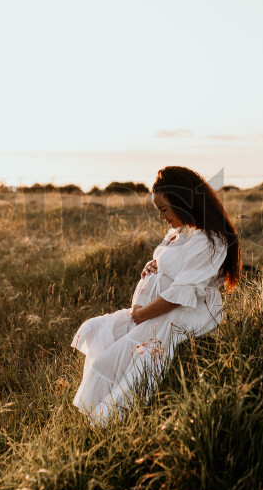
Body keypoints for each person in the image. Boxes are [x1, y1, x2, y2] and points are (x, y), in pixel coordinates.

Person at [70, 166, 242, 425]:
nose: (161, 217)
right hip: (157, 308)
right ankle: (99, 413)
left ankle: (112, 419)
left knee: (119, 356)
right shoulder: (182, 232)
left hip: (185, 313)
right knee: (99, 328)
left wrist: (141, 313)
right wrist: (153, 266)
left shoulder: (207, 241)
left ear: (183, 202)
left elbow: (180, 295)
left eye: (164, 209)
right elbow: (168, 264)